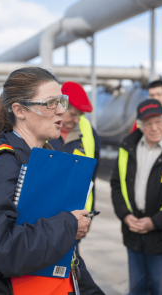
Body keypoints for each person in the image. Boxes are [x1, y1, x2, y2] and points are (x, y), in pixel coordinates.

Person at [0, 67, 104, 295]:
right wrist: (68, 225)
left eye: (61, 101)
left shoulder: (40, 158)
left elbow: (61, 250)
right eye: (51, 103)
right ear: (20, 110)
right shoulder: (5, 164)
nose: (61, 111)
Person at [111, 99, 162, 295]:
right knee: (137, 289)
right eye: (148, 123)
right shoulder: (127, 147)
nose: (154, 128)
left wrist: (155, 222)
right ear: (140, 125)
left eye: (158, 121)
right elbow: (116, 185)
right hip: (133, 234)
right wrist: (125, 215)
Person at [48, 81, 101, 213]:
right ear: (60, 106)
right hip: (43, 213)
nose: (77, 120)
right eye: (72, 114)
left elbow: (91, 178)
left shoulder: (89, 132)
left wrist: (89, 213)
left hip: (77, 214)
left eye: (80, 115)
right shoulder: (42, 128)